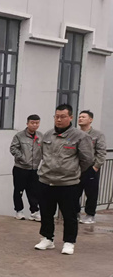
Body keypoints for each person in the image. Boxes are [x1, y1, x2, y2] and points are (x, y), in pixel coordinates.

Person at [35, 104, 94, 254]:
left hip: (68, 183)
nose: (59, 120)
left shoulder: (80, 136)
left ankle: (69, 242)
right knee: (46, 212)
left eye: (63, 117)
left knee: (69, 214)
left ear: (71, 117)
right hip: (46, 180)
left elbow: (87, 159)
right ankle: (47, 238)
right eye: (57, 117)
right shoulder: (48, 135)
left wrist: (72, 171)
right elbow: (42, 154)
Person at [9, 114, 43, 220]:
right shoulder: (19, 136)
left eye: (37, 123)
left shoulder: (40, 136)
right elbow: (13, 148)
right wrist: (22, 158)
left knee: (34, 190)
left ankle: (34, 211)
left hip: (34, 168)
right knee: (19, 190)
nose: (34, 125)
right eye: (32, 123)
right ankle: (19, 211)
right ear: (27, 123)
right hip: (21, 168)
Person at [77, 110, 107, 224]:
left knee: (91, 193)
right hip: (76, 168)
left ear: (90, 120)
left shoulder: (97, 135)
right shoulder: (75, 133)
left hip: (91, 168)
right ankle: (75, 213)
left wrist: (96, 166)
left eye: (83, 117)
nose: (80, 119)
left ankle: (90, 214)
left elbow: (101, 151)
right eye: (79, 117)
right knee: (74, 192)